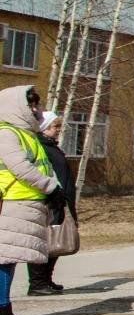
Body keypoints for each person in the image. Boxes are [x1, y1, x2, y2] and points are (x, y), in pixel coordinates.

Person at [0, 86, 62, 315]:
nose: (37, 110)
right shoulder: (7, 134)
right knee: (4, 260)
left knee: (10, 259)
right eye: (32, 105)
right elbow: (21, 168)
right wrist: (51, 188)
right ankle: (3, 310)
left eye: (37, 104)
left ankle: (4, 309)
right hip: (12, 204)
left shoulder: (27, 135)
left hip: (26, 205)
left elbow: (43, 166)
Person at [26, 111, 75, 296]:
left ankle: (46, 279)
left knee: (56, 240)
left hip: (61, 199)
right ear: (45, 127)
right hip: (50, 200)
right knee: (45, 240)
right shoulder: (40, 147)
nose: (58, 130)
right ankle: (37, 283)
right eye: (55, 127)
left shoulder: (51, 146)